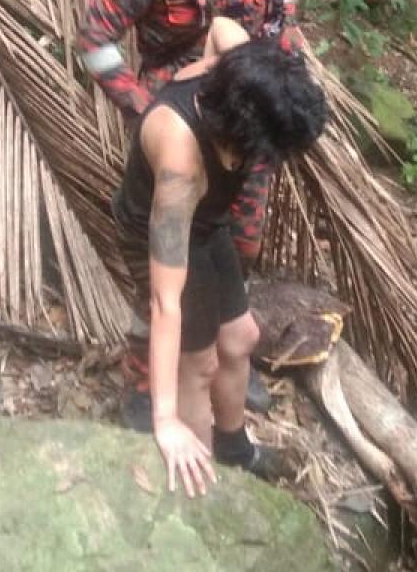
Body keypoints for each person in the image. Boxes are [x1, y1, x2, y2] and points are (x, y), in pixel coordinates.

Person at [78, 0, 297, 425]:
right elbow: (94, 41)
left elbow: (283, 23)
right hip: (180, 134)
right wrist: (144, 106)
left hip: (245, 135)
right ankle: (145, 383)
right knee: (163, 266)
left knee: (239, 244)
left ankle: (228, 356)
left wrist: (282, 100)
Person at [114, 25, 326, 494]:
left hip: (207, 224)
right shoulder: (180, 167)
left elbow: (222, 27)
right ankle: (199, 465)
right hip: (158, 230)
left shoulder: (234, 72)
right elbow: (166, 305)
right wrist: (164, 420)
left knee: (241, 337)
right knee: (201, 362)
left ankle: (234, 450)